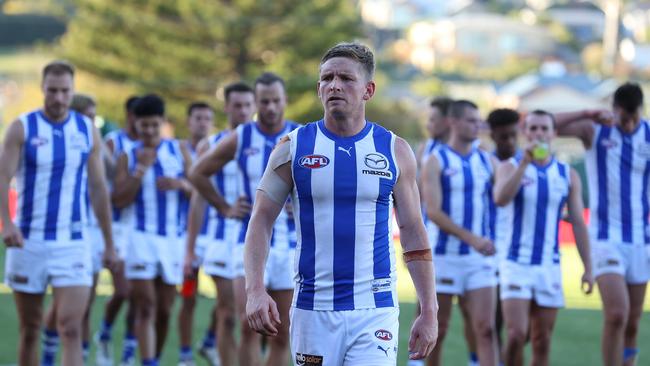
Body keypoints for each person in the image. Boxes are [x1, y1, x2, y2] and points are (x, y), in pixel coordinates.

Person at [243, 42, 438, 365]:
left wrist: (429, 311)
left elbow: (413, 231)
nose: (334, 85)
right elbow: (260, 221)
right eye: (326, 78)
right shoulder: (292, 148)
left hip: (375, 310)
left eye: (346, 78)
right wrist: (254, 290)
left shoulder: (394, 150)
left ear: (368, 90)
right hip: (312, 309)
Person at [0, 60, 118, 366]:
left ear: (72, 90)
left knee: (70, 328)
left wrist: (109, 242)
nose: (59, 98)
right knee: (30, 329)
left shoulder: (86, 130)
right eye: (52, 91)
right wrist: (7, 223)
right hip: (29, 241)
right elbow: (2, 177)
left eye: (65, 91)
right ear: (42, 89)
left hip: (73, 242)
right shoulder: (22, 127)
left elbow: (98, 188)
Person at [190, 72, 298, 366]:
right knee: (249, 326)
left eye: (277, 101)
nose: (271, 108)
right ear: (256, 103)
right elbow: (197, 173)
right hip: (247, 243)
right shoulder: (242, 136)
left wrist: (303, 205)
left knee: (281, 332)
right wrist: (224, 207)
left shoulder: (301, 136)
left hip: (289, 246)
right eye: (265, 102)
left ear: (285, 100)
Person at [555, 83, 650, 366]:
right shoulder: (595, 130)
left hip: (641, 239)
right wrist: (586, 112)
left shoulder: (648, 134)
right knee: (617, 314)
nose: (629, 124)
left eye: (634, 118)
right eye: (624, 118)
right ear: (615, 111)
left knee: (633, 322)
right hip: (605, 237)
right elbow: (546, 124)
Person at [493, 110, 594, 366]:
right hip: (515, 263)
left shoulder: (567, 174)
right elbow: (500, 198)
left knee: (542, 340)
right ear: (525, 133)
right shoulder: (509, 167)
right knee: (516, 334)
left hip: (549, 265)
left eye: (544, 128)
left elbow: (579, 223)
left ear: (554, 134)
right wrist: (525, 164)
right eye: (533, 128)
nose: (539, 133)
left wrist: (589, 268)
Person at [112, 94, 193, 366]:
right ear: (136, 123)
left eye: (153, 125)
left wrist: (181, 185)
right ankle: (148, 362)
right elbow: (118, 199)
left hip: (172, 240)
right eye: (143, 125)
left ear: (163, 123)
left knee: (165, 310)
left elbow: (197, 192)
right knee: (145, 305)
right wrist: (139, 171)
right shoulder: (129, 154)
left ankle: (154, 358)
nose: (148, 131)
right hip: (140, 238)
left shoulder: (179, 151)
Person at [422, 100, 499, 366]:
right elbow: (433, 211)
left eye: (479, 121)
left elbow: (506, 196)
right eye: (471, 120)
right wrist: (472, 238)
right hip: (444, 257)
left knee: (486, 329)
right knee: (438, 330)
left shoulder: (487, 160)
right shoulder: (435, 160)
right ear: (453, 122)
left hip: (479, 260)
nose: (477, 126)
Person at [184, 82, 256, 366]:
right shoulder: (210, 145)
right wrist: (190, 250)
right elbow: (198, 199)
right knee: (227, 315)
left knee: (252, 320)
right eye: (237, 105)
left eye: (248, 105)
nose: (243, 111)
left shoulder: (265, 142)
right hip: (220, 239)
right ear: (226, 107)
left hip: (257, 240)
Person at [39, 93, 110, 365]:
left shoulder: (94, 142)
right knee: (64, 302)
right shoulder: (67, 145)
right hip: (70, 230)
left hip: (93, 229)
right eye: (88, 116)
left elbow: (110, 175)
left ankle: (78, 352)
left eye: (95, 116)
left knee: (87, 300)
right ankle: (48, 349)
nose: (93, 122)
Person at [96, 95, 141, 366]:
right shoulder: (115, 142)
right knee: (123, 291)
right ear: (128, 115)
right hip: (116, 227)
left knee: (140, 295)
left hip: (142, 228)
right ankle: (104, 332)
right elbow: (114, 195)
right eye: (138, 116)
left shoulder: (156, 145)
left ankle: (128, 350)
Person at [176, 101, 217, 366]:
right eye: (198, 118)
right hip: (185, 235)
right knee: (188, 296)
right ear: (189, 121)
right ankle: (185, 354)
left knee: (229, 295)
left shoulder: (219, 148)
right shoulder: (174, 150)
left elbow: (198, 187)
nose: (202, 123)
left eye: (207, 118)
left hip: (215, 234)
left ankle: (211, 340)